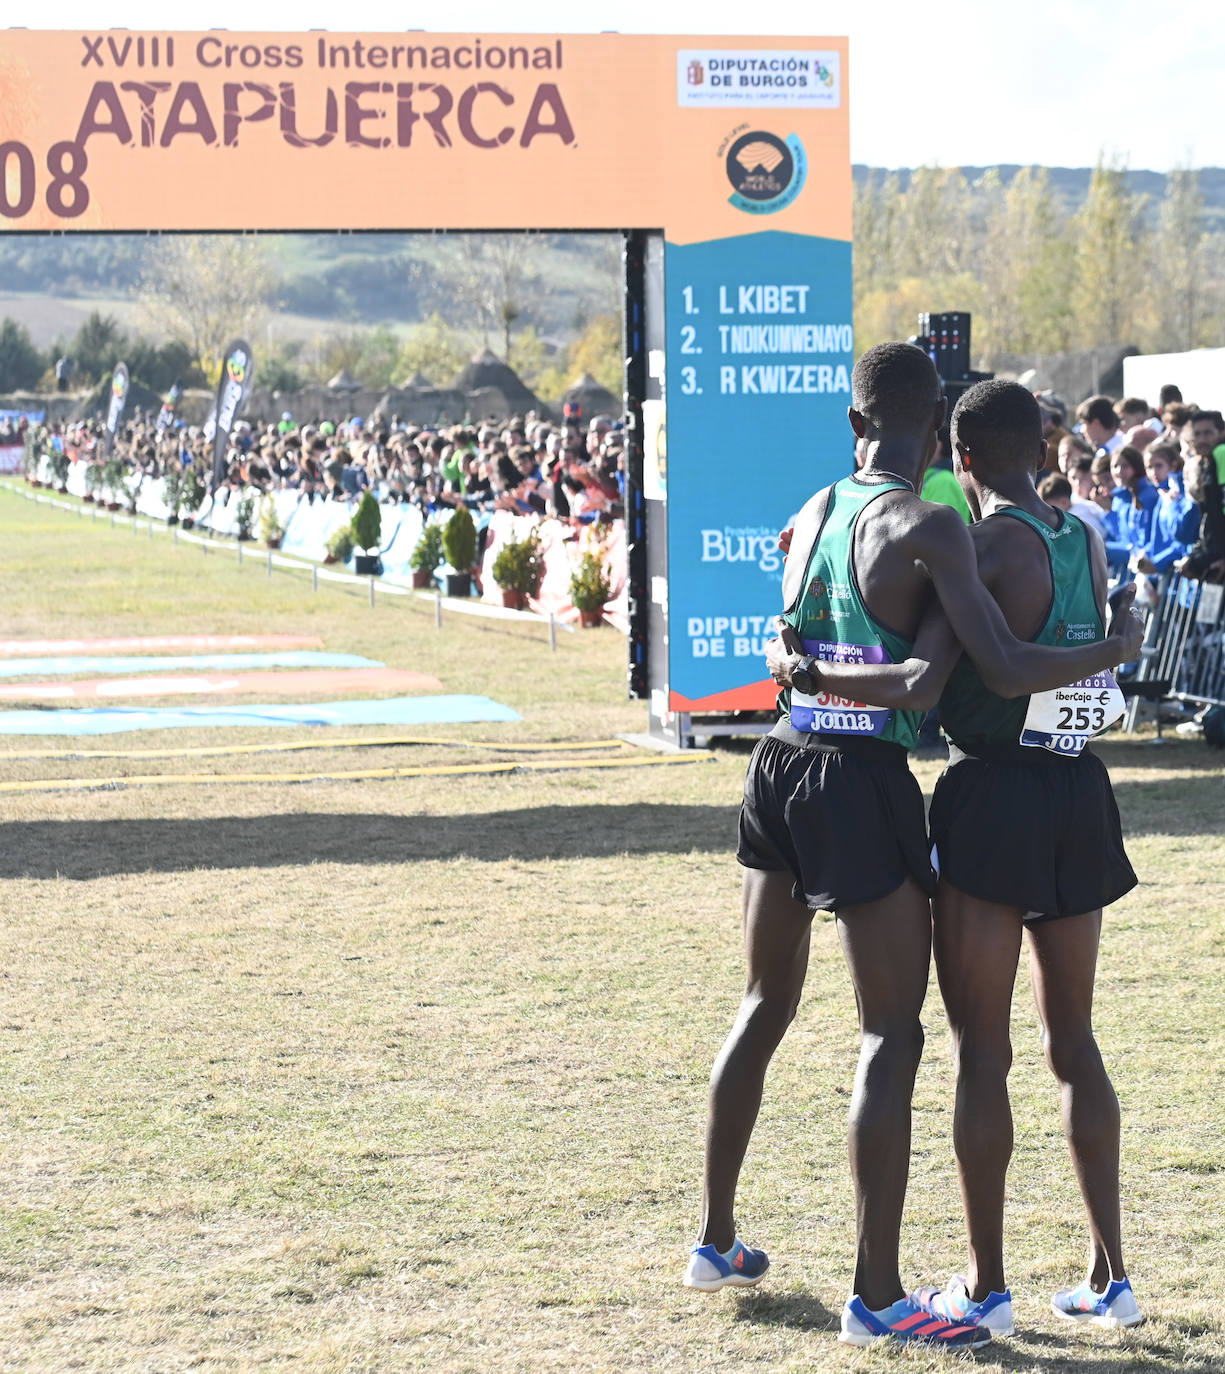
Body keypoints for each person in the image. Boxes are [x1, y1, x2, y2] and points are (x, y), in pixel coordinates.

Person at [686, 343, 1143, 1351]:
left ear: (857, 424)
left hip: (789, 764)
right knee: (925, 1036)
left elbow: (803, 633)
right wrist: (1113, 649)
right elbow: (951, 678)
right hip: (968, 784)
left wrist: (800, 673)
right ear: (937, 435)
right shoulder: (996, 531)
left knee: (775, 1006)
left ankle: (723, 1240)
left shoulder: (812, 512)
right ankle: (914, 1291)